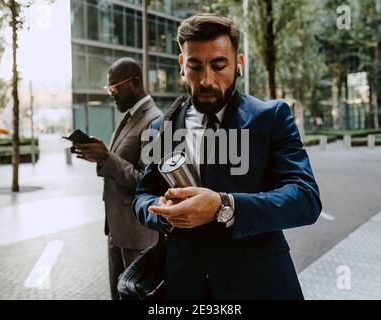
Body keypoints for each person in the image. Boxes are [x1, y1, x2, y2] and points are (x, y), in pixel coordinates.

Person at [133, 13, 322, 299]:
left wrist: (225, 206)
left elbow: (305, 199)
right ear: (182, 66)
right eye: (195, 66)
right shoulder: (163, 128)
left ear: (239, 65)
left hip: (257, 286)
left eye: (219, 66)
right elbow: (142, 195)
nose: (207, 79)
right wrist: (160, 213)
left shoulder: (272, 118)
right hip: (184, 286)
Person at [73, 57, 162, 300]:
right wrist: (101, 156)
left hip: (137, 235)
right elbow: (119, 162)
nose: (111, 93)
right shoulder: (130, 117)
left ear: (133, 82)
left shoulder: (154, 120)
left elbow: (148, 180)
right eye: (108, 88)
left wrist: (107, 158)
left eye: (115, 87)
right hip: (117, 229)